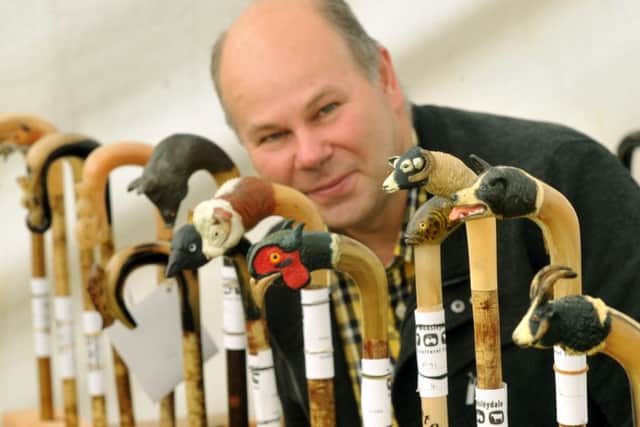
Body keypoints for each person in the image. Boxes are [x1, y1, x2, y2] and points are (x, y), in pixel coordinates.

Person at [210, 0, 640, 425]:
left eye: (326, 110)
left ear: (385, 77)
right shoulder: (280, 279)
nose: (309, 155)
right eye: (272, 136)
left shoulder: (562, 184)